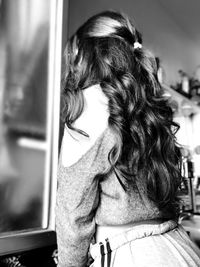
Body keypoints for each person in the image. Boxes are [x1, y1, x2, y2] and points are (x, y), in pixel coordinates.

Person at [55, 10, 200, 267]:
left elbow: (73, 216)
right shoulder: (148, 105)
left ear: (87, 54)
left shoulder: (86, 107)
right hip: (180, 250)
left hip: (129, 255)